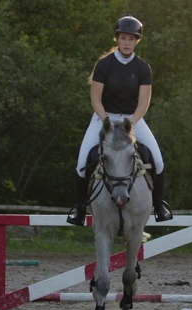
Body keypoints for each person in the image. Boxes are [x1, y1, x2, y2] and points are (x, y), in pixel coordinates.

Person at [67, 15, 173, 226]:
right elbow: (95, 98)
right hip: (103, 118)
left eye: (131, 39)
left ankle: (159, 205)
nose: (127, 43)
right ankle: (79, 209)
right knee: (81, 164)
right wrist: (105, 119)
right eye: (123, 38)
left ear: (136, 41)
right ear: (117, 39)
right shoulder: (104, 65)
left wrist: (131, 122)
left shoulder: (143, 68)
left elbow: (144, 102)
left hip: (132, 120)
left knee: (159, 162)